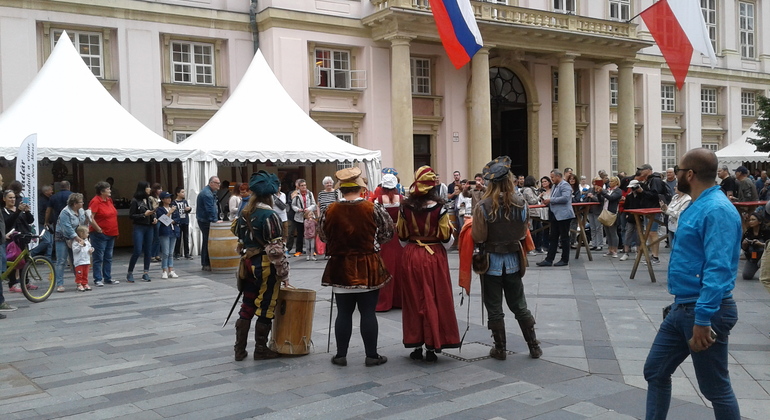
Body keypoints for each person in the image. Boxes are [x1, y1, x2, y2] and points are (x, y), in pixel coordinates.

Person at [643, 148, 741, 420]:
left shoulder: (717, 209)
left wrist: (704, 317)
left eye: (678, 168)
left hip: (704, 310)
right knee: (655, 371)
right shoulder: (696, 205)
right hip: (683, 307)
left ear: (689, 174)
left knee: (715, 388)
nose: (674, 174)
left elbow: (718, 267)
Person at [320, 166, 393, 367]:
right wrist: (372, 242)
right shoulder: (373, 208)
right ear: (361, 189)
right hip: (367, 263)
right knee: (368, 312)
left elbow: (323, 236)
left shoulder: (330, 210)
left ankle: (341, 355)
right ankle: (371, 355)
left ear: (341, 189)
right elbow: (388, 233)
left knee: (343, 312)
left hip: (341, 265)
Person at [472, 156, 542, 360]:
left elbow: (479, 236)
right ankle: (533, 346)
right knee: (519, 305)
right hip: (513, 259)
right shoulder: (520, 203)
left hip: (490, 261)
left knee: (494, 307)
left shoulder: (483, 205)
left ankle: (500, 349)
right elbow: (523, 232)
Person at [397, 166, 460, 362]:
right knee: (435, 299)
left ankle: (416, 344)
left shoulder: (405, 208)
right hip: (434, 257)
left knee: (413, 299)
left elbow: (402, 237)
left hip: (411, 255)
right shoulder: (441, 209)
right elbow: (445, 239)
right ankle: (433, 345)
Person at [232, 171, 289, 361]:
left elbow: (238, 235)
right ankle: (261, 349)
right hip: (265, 265)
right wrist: (284, 273)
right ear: (269, 195)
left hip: (247, 264)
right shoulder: (270, 215)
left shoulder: (245, 213)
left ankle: (239, 350)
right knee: (266, 306)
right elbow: (275, 250)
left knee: (247, 304)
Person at [374, 173, 404, 312]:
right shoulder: (402, 199)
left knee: (386, 267)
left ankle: (385, 300)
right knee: (400, 267)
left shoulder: (378, 200)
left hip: (385, 237)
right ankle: (400, 299)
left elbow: (375, 221)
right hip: (399, 237)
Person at [536, 169, 575, 267]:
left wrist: (551, 200)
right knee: (553, 237)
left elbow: (565, 198)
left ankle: (564, 259)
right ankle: (549, 259)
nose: (551, 179)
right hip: (555, 214)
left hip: (564, 215)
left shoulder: (565, 185)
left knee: (564, 238)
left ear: (558, 176)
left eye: (553, 177)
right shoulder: (555, 186)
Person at [3, 189, 34, 292]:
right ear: (4, 199)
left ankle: (25, 282)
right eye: (10, 197)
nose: (12, 200)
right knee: (13, 261)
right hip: (11, 240)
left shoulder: (19, 209)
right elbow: (8, 223)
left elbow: (30, 221)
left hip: (23, 238)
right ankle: (12, 283)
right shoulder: (3, 211)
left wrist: (27, 211)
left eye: (14, 197)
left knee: (25, 261)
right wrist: (18, 211)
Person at [54, 193, 87, 292]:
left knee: (76, 260)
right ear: (74, 204)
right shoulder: (65, 212)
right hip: (62, 237)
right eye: (81, 202)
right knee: (61, 260)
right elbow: (67, 228)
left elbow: (82, 223)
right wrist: (77, 238)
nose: (83, 203)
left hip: (76, 237)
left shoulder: (81, 211)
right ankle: (59, 284)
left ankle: (79, 282)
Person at [88, 181, 119, 286]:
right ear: (102, 191)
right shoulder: (95, 201)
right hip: (100, 234)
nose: (110, 190)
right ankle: (97, 279)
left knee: (108, 257)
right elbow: (90, 217)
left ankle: (107, 277)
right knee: (98, 257)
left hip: (111, 232)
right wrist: (98, 229)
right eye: (108, 189)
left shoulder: (109, 200)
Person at [126, 182, 156, 283]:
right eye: (147, 187)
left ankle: (146, 272)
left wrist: (154, 218)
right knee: (138, 250)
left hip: (149, 227)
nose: (149, 189)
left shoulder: (148, 199)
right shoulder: (135, 201)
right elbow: (131, 215)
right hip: (139, 226)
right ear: (143, 189)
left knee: (148, 250)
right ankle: (130, 272)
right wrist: (143, 215)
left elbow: (151, 211)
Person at [196, 176, 221, 271]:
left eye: (219, 183)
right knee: (207, 241)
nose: (219, 185)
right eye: (217, 183)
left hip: (203, 219)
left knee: (207, 241)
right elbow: (210, 209)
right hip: (205, 220)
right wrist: (214, 220)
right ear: (211, 183)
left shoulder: (211, 192)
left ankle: (207, 262)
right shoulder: (207, 194)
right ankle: (206, 263)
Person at [156, 192, 180, 279]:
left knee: (171, 252)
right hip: (165, 232)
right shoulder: (160, 209)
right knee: (165, 252)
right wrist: (170, 212)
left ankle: (171, 269)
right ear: (162, 200)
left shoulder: (174, 208)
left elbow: (177, 219)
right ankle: (164, 270)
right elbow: (163, 220)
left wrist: (172, 220)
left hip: (174, 231)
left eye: (170, 198)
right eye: (167, 198)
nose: (169, 199)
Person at [290, 179, 316, 257]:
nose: (304, 187)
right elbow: (293, 205)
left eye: (305, 185)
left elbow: (313, 204)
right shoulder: (296, 194)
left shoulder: (310, 194)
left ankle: (312, 250)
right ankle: (299, 250)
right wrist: (298, 210)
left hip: (309, 216)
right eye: (302, 185)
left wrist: (309, 209)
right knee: (300, 233)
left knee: (311, 233)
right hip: (299, 217)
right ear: (299, 187)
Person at [740, 213, 768, 280]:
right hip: (752, 256)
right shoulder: (748, 232)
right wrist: (744, 244)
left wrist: (761, 244)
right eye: (750, 220)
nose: (751, 222)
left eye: (753, 220)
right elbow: (744, 248)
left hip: (765, 256)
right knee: (746, 276)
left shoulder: (767, 231)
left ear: (759, 221)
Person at [599, 176, 622, 257]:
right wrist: (599, 193)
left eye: (612, 181)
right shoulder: (608, 190)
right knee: (608, 232)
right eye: (610, 181)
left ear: (616, 182)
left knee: (613, 232)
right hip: (605, 212)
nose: (610, 183)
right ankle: (610, 249)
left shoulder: (618, 191)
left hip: (612, 213)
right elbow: (601, 200)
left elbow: (611, 198)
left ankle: (615, 250)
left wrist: (603, 192)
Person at [31, 184, 54, 258]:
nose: (52, 191)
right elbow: (40, 212)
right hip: (44, 223)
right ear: (46, 191)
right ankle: (32, 253)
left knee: (50, 242)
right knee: (47, 241)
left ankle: (48, 257)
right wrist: (44, 221)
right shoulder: (41, 200)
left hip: (49, 222)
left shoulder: (49, 199)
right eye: (51, 190)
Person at [584, 177, 605, 252]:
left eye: (596, 183)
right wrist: (587, 196)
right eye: (593, 183)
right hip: (590, 210)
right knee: (592, 228)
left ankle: (600, 244)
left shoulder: (602, 190)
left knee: (598, 228)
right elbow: (586, 199)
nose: (594, 185)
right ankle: (594, 244)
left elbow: (600, 200)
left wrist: (593, 196)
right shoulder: (590, 190)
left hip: (598, 211)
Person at [71, 225, 93, 292]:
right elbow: (75, 250)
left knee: (85, 273)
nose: (88, 234)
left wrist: (91, 249)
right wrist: (80, 245)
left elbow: (89, 247)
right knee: (79, 274)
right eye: (87, 233)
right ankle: (79, 284)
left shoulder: (87, 241)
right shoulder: (75, 242)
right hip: (79, 262)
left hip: (86, 261)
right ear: (81, 233)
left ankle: (85, 283)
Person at [173, 187, 193, 260]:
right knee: (178, 238)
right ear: (177, 193)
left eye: (184, 192)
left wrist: (189, 209)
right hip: (178, 222)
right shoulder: (174, 202)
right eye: (182, 192)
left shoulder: (185, 201)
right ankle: (177, 253)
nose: (183, 193)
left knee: (186, 237)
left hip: (185, 221)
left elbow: (188, 210)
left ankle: (187, 253)